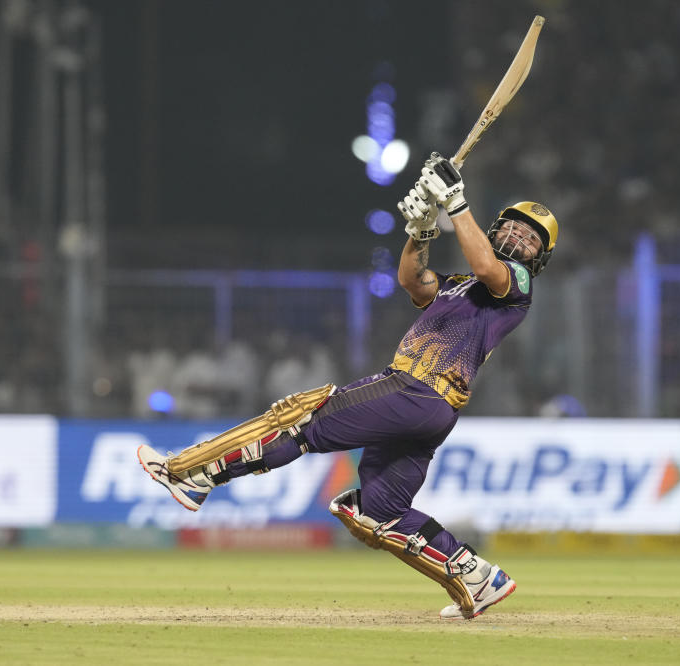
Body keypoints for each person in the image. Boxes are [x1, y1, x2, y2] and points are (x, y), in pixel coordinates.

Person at [137, 152, 558, 620]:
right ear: (498, 227)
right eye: (514, 227)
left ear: (538, 258)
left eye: (531, 238)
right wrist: (420, 231)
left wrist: (455, 203)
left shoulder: (514, 283)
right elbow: (414, 282)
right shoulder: (460, 284)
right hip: (428, 407)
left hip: (416, 389)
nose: (519, 237)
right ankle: (478, 578)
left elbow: (486, 268)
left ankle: (195, 474)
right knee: (379, 511)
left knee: (302, 418)